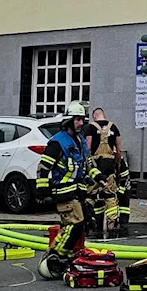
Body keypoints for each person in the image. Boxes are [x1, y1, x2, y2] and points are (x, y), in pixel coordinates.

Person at [36, 101, 100, 277]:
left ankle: (62, 257)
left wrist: (98, 177)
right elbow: (43, 168)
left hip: (77, 192)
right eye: (77, 119)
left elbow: (87, 165)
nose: (80, 123)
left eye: (82, 120)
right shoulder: (57, 143)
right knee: (75, 226)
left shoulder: (79, 141)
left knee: (75, 226)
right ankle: (57, 256)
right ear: (69, 121)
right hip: (64, 192)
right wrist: (42, 189)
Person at [87, 107, 123, 235]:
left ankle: (89, 221)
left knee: (91, 194)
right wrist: (117, 164)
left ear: (94, 116)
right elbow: (119, 150)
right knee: (110, 194)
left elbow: (87, 148)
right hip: (109, 165)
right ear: (103, 115)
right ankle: (112, 223)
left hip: (95, 166)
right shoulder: (113, 127)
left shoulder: (90, 127)